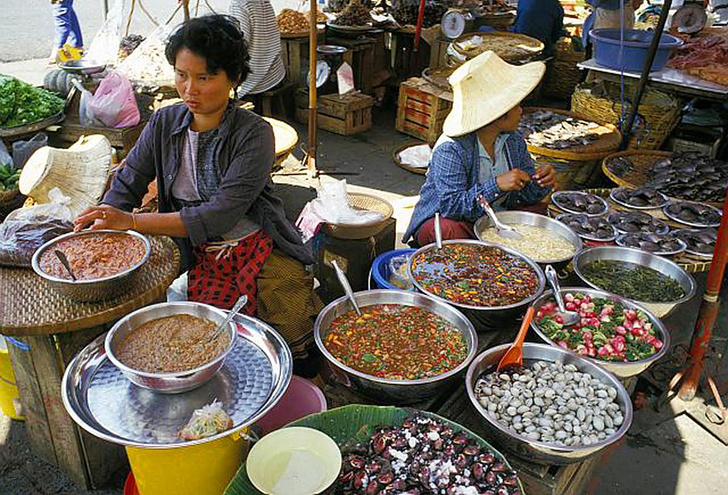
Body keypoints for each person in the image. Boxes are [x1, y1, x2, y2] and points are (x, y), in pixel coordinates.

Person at [74, 15, 322, 373]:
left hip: (255, 240)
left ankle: (302, 379)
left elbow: (220, 214)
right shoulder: (163, 122)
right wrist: (107, 222)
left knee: (289, 317)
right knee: (207, 338)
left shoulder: (254, 134)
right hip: (193, 244)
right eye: (182, 75)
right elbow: (129, 180)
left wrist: (130, 221)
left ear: (233, 78)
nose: (190, 89)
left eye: (205, 77)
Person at [402, 51, 557, 247]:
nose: (521, 111)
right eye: (517, 105)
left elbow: (524, 196)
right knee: (448, 230)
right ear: (499, 114)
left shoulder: (513, 141)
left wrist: (540, 182)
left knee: (540, 214)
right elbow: (452, 206)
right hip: (458, 221)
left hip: (497, 220)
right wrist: (497, 185)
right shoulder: (451, 148)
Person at [228, 0, 285, 97]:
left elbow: (241, 46)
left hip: (257, 80)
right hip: (276, 72)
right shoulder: (262, 2)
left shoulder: (239, 5)